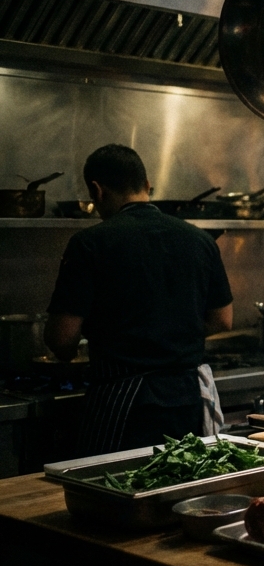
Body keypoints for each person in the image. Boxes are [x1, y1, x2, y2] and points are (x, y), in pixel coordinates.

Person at [44, 145, 233, 454]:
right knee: (181, 490)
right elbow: (223, 320)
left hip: (124, 402)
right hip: (187, 397)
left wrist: (65, 355)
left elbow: (62, 337)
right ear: (147, 185)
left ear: (97, 190)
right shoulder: (200, 239)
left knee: (116, 491)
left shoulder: (89, 244)